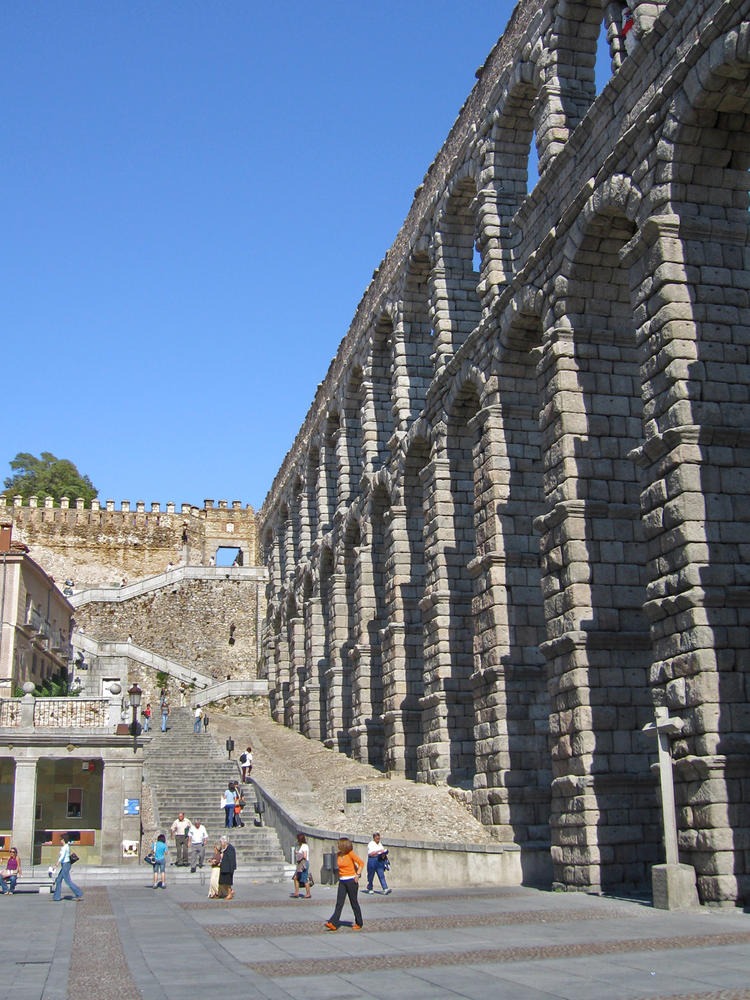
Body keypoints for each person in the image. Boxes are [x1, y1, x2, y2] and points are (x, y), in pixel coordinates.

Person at [325, 837, 364, 931]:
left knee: (353, 902)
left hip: (351, 881)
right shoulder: (338, 855)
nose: (337, 845)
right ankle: (333, 923)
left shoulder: (350, 854)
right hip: (342, 881)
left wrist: (358, 875)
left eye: (339, 844)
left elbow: (361, 863)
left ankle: (359, 923)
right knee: (339, 903)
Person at [52, 835, 83, 901]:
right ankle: (56, 897)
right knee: (58, 880)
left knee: (67, 881)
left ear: (63, 840)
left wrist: (57, 863)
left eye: (61, 839)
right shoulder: (65, 847)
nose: (60, 841)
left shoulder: (65, 847)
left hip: (66, 865)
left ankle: (79, 893)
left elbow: (62, 856)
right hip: (65, 865)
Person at [291, 833, 312, 899]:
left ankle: (308, 894)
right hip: (300, 864)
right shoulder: (301, 846)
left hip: (304, 864)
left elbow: (305, 856)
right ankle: (296, 893)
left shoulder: (304, 846)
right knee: (296, 878)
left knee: (305, 879)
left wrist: (298, 853)